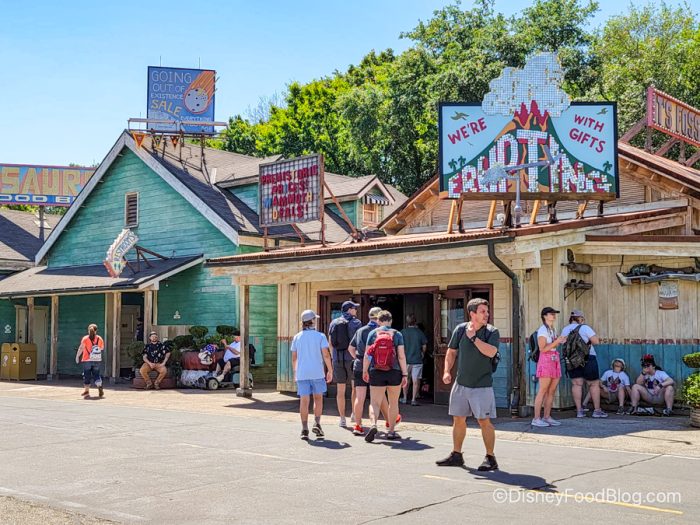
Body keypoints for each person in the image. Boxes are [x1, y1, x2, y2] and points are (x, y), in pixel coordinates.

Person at [436, 298, 500, 471]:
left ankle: (490, 457)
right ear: (472, 314)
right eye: (482, 311)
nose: (486, 314)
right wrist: (446, 371)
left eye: (487, 311)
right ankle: (456, 455)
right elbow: (451, 352)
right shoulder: (460, 329)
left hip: (482, 384)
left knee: (484, 421)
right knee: (458, 419)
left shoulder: (492, 332)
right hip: (461, 383)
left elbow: (491, 352)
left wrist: (473, 338)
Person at [362, 310, 408, 442]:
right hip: (394, 371)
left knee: (374, 402)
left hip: (376, 371)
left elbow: (367, 355)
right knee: (393, 402)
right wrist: (405, 374)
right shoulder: (397, 334)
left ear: (378, 320)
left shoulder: (373, 334)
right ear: (391, 321)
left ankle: (373, 425)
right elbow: (401, 356)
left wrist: (365, 370)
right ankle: (391, 431)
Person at [348, 307, 393, 436]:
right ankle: (389, 422)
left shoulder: (360, 330)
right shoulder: (381, 331)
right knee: (380, 397)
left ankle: (358, 425)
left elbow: (351, 348)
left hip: (359, 364)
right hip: (376, 366)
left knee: (359, 397)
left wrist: (358, 358)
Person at [291, 309, 333, 440]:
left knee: (304, 401)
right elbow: (326, 355)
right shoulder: (320, 336)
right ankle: (317, 423)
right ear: (313, 321)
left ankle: (304, 428)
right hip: (317, 372)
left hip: (302, 372)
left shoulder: (297, 337)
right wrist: (330, 370)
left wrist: (295, 372)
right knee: (318, 398)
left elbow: (294, 358)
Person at [561, 310, 607, 418]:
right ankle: (597, 411)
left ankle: (579, 411)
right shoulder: (585, 328)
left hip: (572, 360)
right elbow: (596, 341)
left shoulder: (565, 330)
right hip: (588, 358)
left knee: (577, 384)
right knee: (593, 384)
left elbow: (563, 343)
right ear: (580, 318)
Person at [328, 300, 362, 427]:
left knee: (340, 390)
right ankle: (354, 413)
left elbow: (330, 343)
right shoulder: (357, 323)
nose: (356, 310)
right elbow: (358, 343)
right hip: (352, 359)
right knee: (355, 388)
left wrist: (333, 358)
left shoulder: (334, 322)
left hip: (338, 359)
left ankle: (342, 419)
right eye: (354, 308)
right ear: (349, 310)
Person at [531, 307, 567, 427]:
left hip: (554, 358)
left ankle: (547, 416)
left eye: (554, 314)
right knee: (543, 390)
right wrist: (557, 342)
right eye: (551, 314)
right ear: (545, 316)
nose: (554, 315)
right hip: (546, 360)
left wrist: (560, 341)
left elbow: (552, 345)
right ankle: (536, 418)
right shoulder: (542, 330)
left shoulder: (552, 329)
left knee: (551, 390)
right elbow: (542, 349)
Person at [401, 314, 428, 406]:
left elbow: (399, 346)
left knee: (406, 379)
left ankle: (404, 398)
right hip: (417, 360)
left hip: (406, 360)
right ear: (415, 321)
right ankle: (413, 399)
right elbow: (424, 346)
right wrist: (422, 354)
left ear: (407, 322)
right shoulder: (419, 332)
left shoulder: (403, 332)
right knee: (415, 380)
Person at [75, 323, 105, 398]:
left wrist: (77, 356)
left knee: (87, 375)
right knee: (96, 375)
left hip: (87, 360)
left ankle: (87, 391)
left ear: (88, 330)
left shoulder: (85, 338)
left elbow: (81, 348)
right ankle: (99, 386)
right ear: (96, 330)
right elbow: (102, 348)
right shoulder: (99, 338)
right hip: (97, 360)